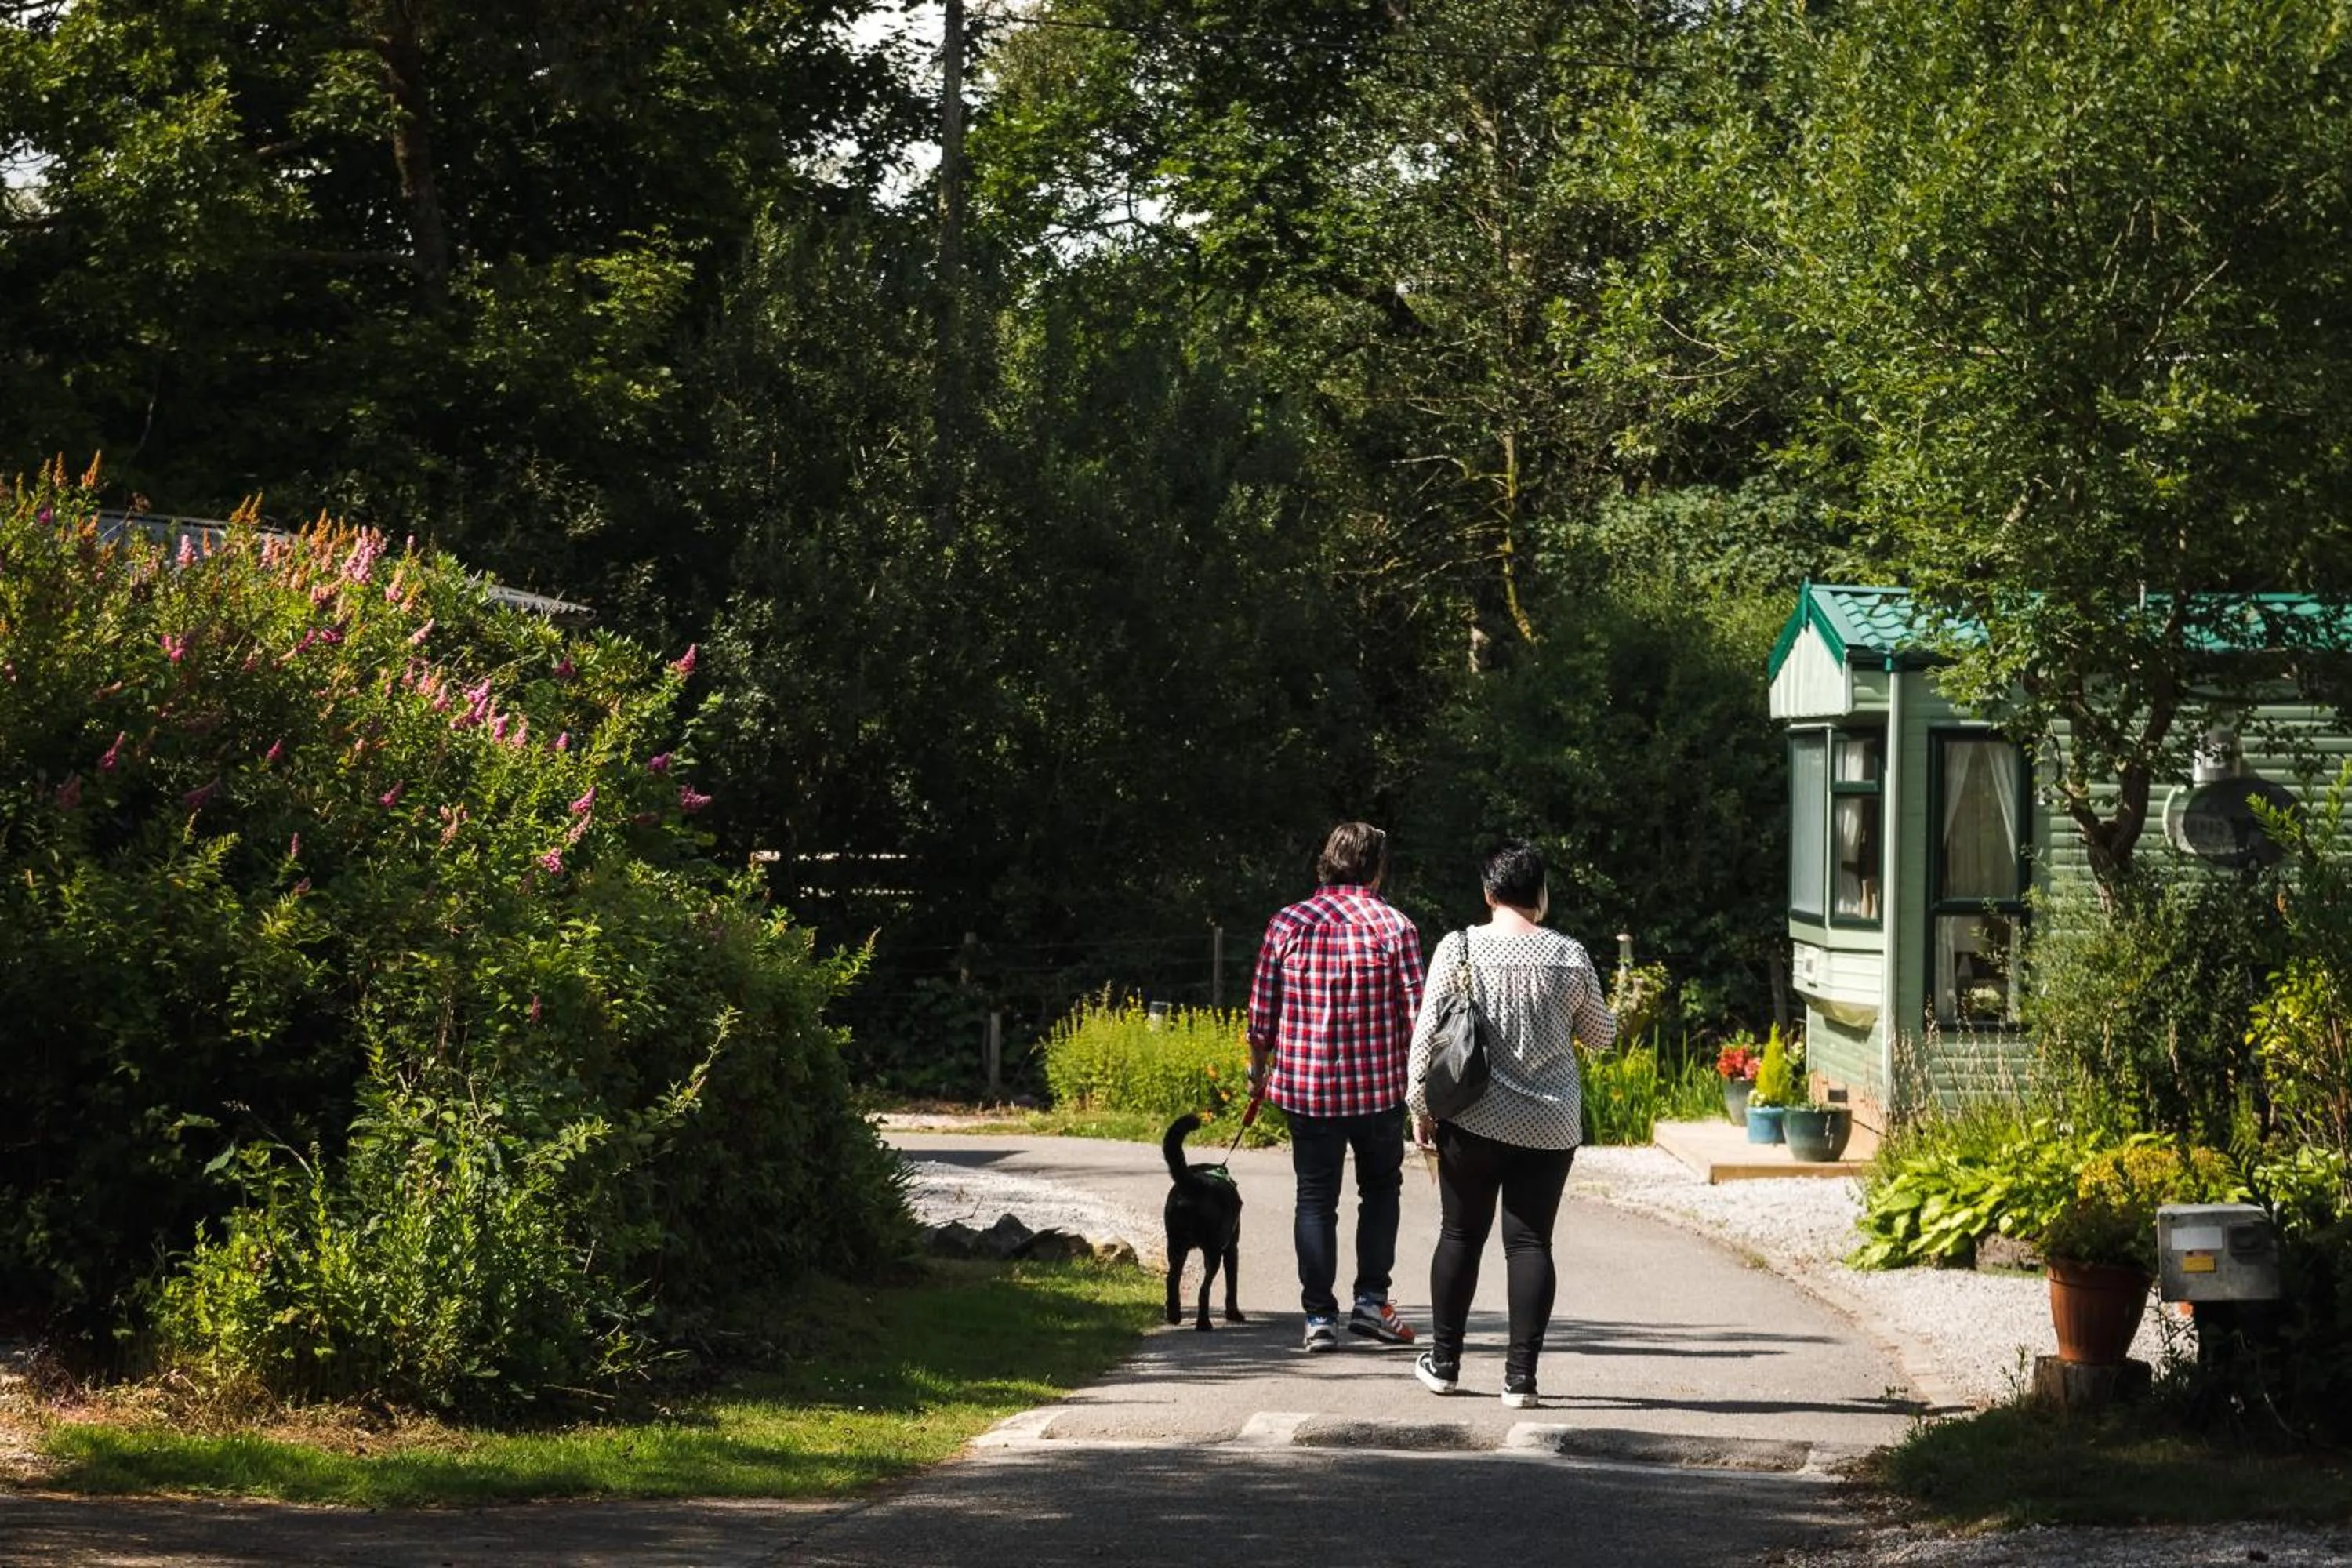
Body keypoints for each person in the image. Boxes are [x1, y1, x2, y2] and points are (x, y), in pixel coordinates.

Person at [1405, 839, 1616, 1408]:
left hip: (1471, 1119)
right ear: (1539, 892)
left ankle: (1444, 1364)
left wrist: (1420, 1105)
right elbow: (1601, 1036)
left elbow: (1427, 1036)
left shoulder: (1459, 947)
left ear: (1489, 892)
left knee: (1460, 1235)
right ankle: (1521, 1380)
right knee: (1530, 1244)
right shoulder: (1569, 954)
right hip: (1550, 1126)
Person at [1246, 821, 1427, 1353]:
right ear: (1376, 867)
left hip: (1308, 1089)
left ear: (1328, 861)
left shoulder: (1287, 923)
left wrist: (1258, 1072)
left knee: (1314, 1198)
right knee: (1380, 1192)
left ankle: (1319, 1318)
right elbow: (1419, 1018)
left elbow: (1261, 1016)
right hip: (1378, 1091)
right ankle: (1371, 1302)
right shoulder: (1395, 927)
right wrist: (1425, 1092)